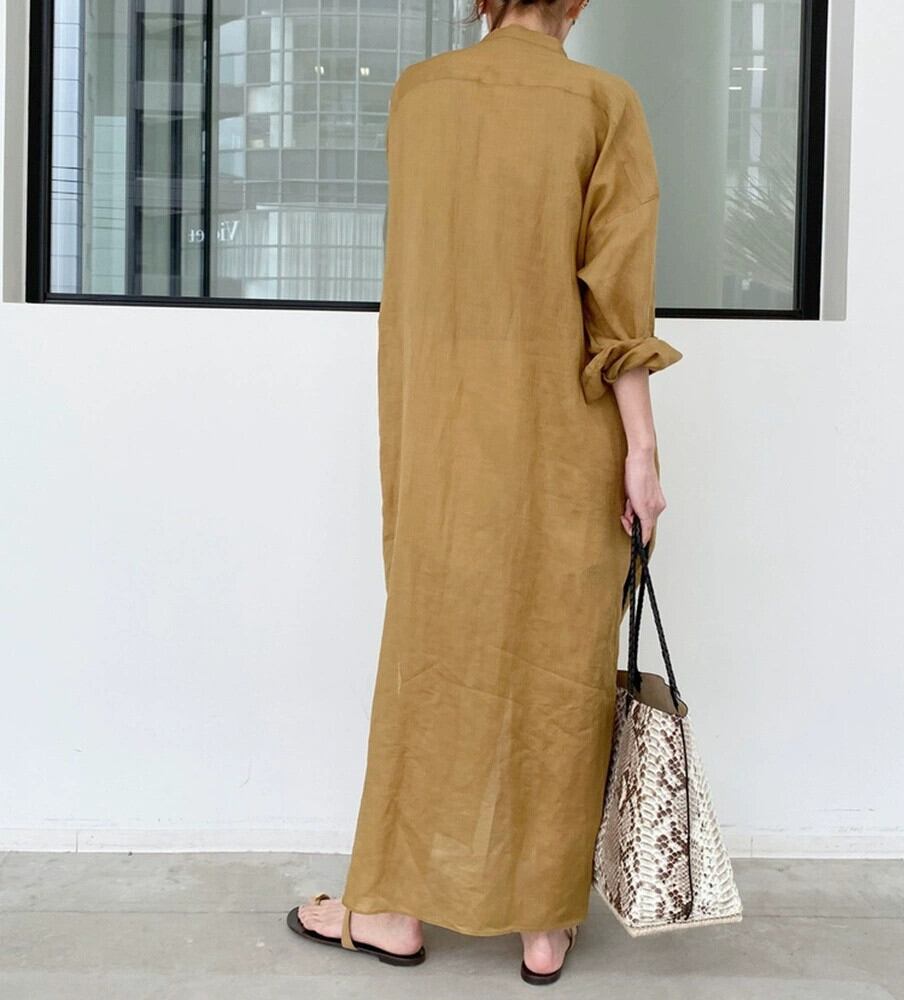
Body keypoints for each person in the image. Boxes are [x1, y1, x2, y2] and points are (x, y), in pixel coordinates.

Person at [286, 0, 683, 985]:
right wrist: (641, 452)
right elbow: (616, 303)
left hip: (439, 440)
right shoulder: (601, 103)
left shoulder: (418, 98)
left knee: (434, 655)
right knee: (559, 666)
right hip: (563, 445)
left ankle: (392, 907)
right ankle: (542, 925)